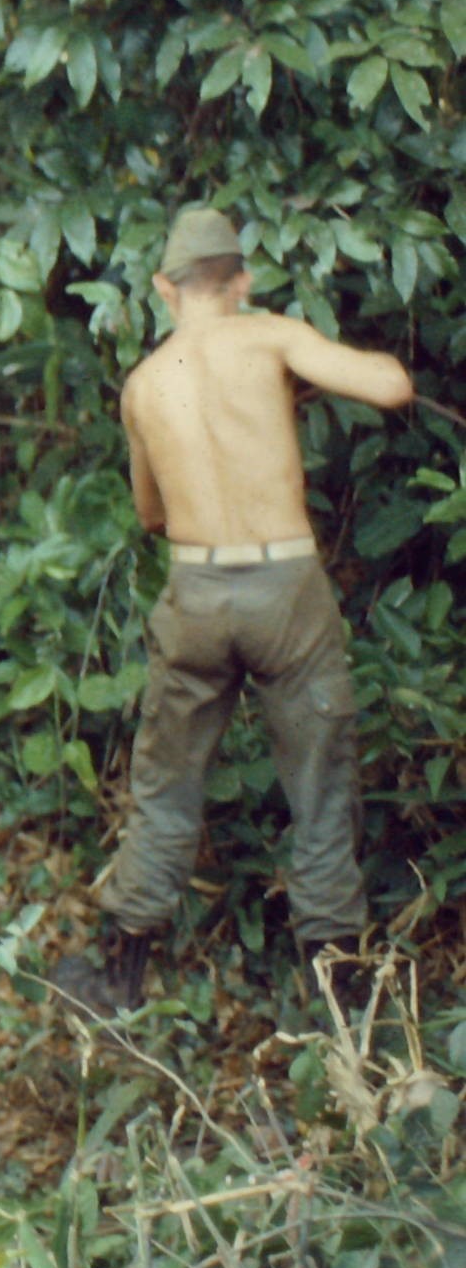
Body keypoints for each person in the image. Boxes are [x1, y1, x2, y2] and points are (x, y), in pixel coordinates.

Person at [50, 208, 412, 1016]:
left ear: (164, 289)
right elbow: (391, 385)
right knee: (319, 783)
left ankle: (120, 978)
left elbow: (151, 514)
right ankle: (340, 995)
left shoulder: (143, 384)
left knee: (167, 782)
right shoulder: (270, 336)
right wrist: (301, 370)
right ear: (241, 280)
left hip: (198, 592)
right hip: (286, 587)